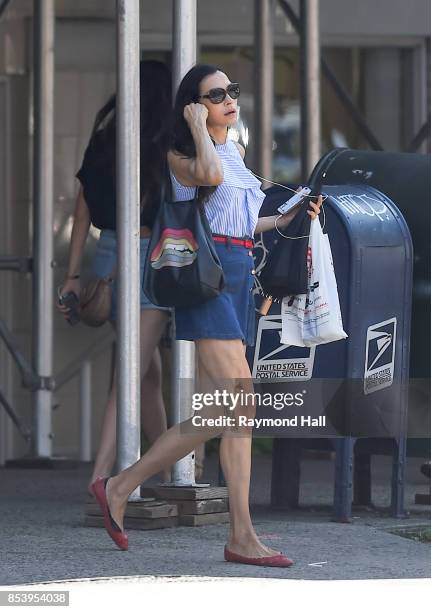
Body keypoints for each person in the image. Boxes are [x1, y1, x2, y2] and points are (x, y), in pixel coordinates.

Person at [92, 64, 322, 566]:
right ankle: (237, 534)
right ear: (193, 106)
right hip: (206, 278)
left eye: (231, 92)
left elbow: (239, 218)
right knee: (240, 401)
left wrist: (285, 218)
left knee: (227, 410)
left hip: (237, 272)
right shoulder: (181, 154)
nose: (227, 101)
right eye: (214, 96)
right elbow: (209, 179)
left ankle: (122, 485)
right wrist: (196, 125)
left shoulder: (236, 153)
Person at [57, 60, 173, 494]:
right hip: (148, 256)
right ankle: (102, 477)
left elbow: (82, 209)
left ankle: (170, 469)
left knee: (147, 374)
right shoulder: (165, 144)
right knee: (130, 372)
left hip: (107, 256)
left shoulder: (107, 140)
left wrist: (73, 277)